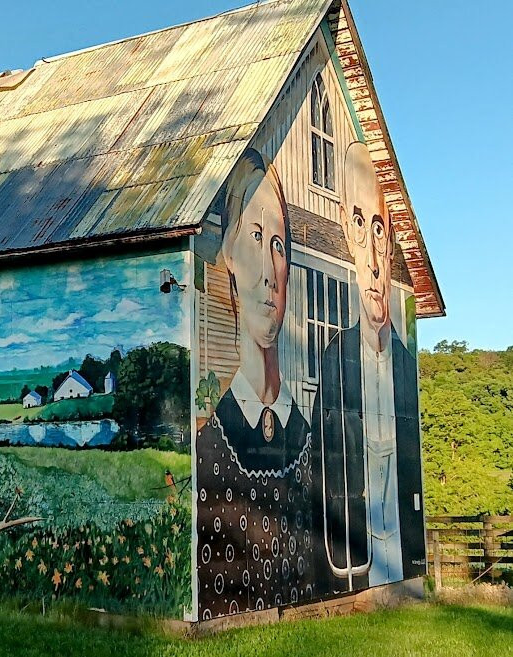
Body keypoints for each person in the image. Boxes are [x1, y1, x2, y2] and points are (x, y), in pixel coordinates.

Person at [195, 149, 313, 618]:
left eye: (279, 246)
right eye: (255, 237)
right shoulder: (208, 446)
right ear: (228, 254)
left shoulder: (306, 439)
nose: (268, 271)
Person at [310, 141, 425, 594]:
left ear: (392, 236)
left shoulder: (404, 363)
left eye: (379, 230)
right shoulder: (335, 359)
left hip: (400, 555)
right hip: (349, 565)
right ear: (343, 225)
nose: (375, 263)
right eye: (358, 224)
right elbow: (322, 480)